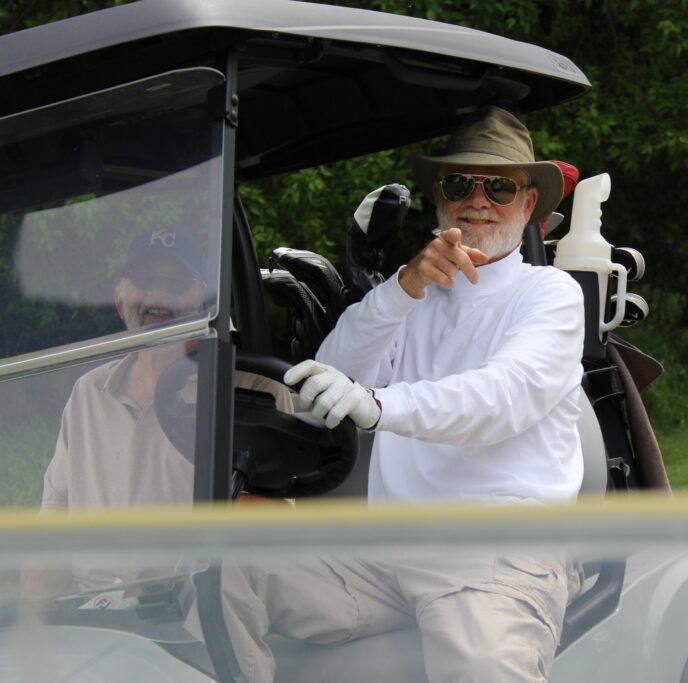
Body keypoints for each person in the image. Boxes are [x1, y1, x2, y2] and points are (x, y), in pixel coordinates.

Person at [275, 105, 587, 681]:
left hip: (495, 553)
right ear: (440, 199)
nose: (477, 200)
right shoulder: (410, 294)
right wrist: (406, 284)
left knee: (483, 668)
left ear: (527, 205)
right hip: (385, 554)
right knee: (227, 572)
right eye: (459, 184)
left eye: (498, 186)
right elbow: (326, 377)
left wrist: (379, 404)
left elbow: (502, 397)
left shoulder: (550, 293)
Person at [24, 228, 291, 596]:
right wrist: (32, 615)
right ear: (120, 301)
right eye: (144, 280)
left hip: (198, 606)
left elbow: (275, 515)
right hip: (91, 612)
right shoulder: (88, 392)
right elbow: (56, 512)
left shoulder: (252, 390)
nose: (157, 295)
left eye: (176, 281)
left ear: (206, 303)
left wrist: (167, 571)